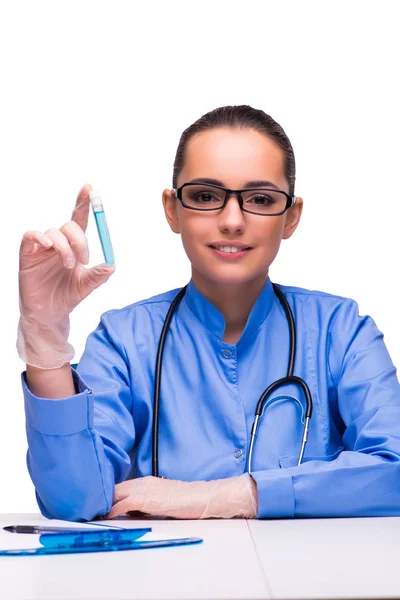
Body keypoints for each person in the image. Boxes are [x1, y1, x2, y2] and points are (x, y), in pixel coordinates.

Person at [18, 105, 400, 522]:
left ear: (291, 217)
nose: (232, 221)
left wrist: (229, 496)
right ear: (172, 209)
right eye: (205, 196)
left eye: (259, 199)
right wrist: (46, 343)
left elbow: (393, 468)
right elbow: (75, 503)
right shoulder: (125, 340)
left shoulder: (341, 331)